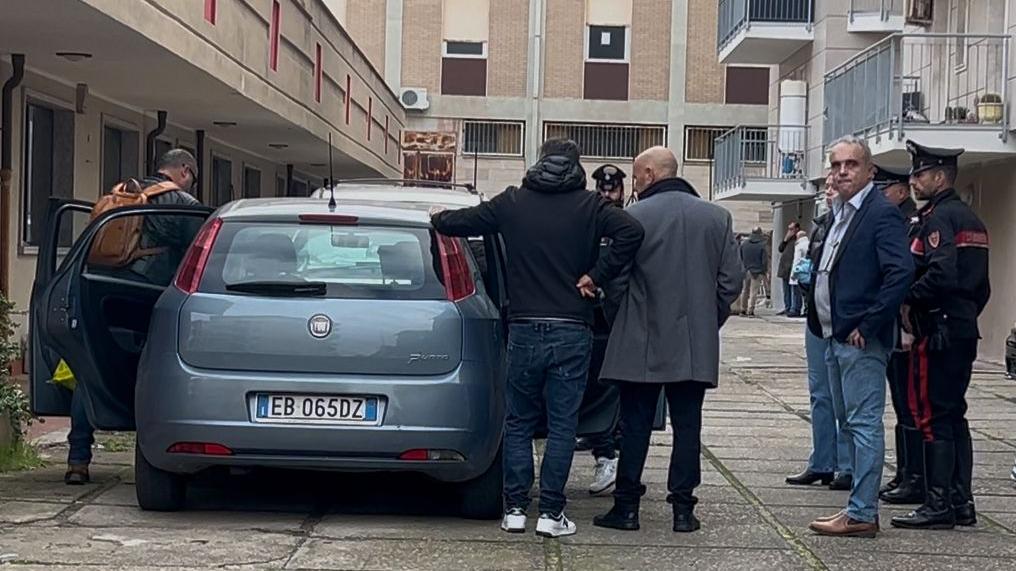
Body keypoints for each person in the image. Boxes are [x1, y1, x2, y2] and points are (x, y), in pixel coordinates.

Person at [430, 139, 644, 538]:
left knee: (519, 422)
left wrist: (437, 218)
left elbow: (465, 221)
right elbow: (632, 232)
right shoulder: (592, 206)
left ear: (539, 163)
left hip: (524, 327)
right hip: (571, 329)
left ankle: (513, 509)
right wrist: (597, 275)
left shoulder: (513, 202)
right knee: (563, 424)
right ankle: (551, 514)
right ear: (578, 167)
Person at [591, 146, 743, 534]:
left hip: (640, 334)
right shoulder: (717, 217)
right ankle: (683, 510)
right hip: (693, 340)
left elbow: (617, 279)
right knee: (688, 425)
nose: (635, 183)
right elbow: (731, 281)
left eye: (637, 176)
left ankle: (626, 508)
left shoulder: (632, 217)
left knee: (635, 423)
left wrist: (620, 318)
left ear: (649, 174)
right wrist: (709, 320)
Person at [66, 148, 202, 485]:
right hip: (149, 299)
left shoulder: (120, 194)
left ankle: (78, 460)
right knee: (154, 376)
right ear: (184, 171)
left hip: (102, 294)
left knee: (90, 374)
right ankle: (151, 456)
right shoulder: (183, 204)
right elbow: (199, 259)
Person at [806, 136, 913, 538]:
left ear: (870, 171)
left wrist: (867, 325)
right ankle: (856, 505)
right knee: (847, 421)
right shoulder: (840, 212)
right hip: (831, 335)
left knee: (865, 423)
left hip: (859, 340)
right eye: (836, 165)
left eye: (851, 164)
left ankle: (863, 512)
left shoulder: (879, 213)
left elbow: (900, 272)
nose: (842, 171)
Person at [891, 141, 990, 530]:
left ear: (940, 176)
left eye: (920, 173)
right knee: (954, 415)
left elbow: (941, 274)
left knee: (931, 416)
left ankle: (938, 504)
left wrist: (906, 298)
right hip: (962, 327)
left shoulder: (939, 219)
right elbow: (981, 288)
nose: (914, 180)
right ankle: (960, 502)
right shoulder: (970, 218)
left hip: (938, 329)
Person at [786, 177, 852, 492]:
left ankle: (847, 464)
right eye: (825, 185)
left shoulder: (857, 223)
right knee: (819, 392)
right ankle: (822, 461)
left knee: (845, 397)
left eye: (834, 185)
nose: (828, 191)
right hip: (817, 314)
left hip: (842, 319)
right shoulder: (822, 225)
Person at [873, 164, 926, 505]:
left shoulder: (909, 223)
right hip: (895, 327)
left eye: (886, 188)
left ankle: (916, 478)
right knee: (900, 405)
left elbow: (908, 274)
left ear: (901, 192)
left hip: (910, 327)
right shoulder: (900, 221)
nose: (881, 194)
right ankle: (905, 472)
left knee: (911, 407)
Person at [581, 163, 629, 495]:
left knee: (617, 395)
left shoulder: (629, 222)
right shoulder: (587, 221)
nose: (608, 194)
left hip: (619, 320)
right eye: (602, 189)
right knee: (592, 391)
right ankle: (603, 450)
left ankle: (608, 454)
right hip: (590, 318)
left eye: (613, 190)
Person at [738, 227, 768, 317]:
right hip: (757, 272)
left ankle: (743, 309)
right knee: (753, 292)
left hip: (745, 270)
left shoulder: (744, 244)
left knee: (744, 291)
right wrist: (764, 271)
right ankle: (750, 310)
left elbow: (740, 257)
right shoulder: (762, 245)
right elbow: (764, 260)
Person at [777, 221, 801, 315]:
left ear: (796, 229)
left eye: (791, 229)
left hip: (793, 267)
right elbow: (780, 249)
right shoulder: (788, 240)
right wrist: (785, 239)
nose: (789, 231)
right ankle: (787, 307)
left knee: (795, 289)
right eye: (789, 229)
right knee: (786, 289)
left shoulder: (799, 239)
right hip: (785, 268)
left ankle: (795, 308)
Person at [788, 230, 810, 317]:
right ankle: (806, 310)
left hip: (799, 271)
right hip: (807, 272)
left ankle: (795, 309)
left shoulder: (799, 246)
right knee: (806, 293)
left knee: (795, 292)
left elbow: (796, 261)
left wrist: (793, 273)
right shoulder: (809, 243)